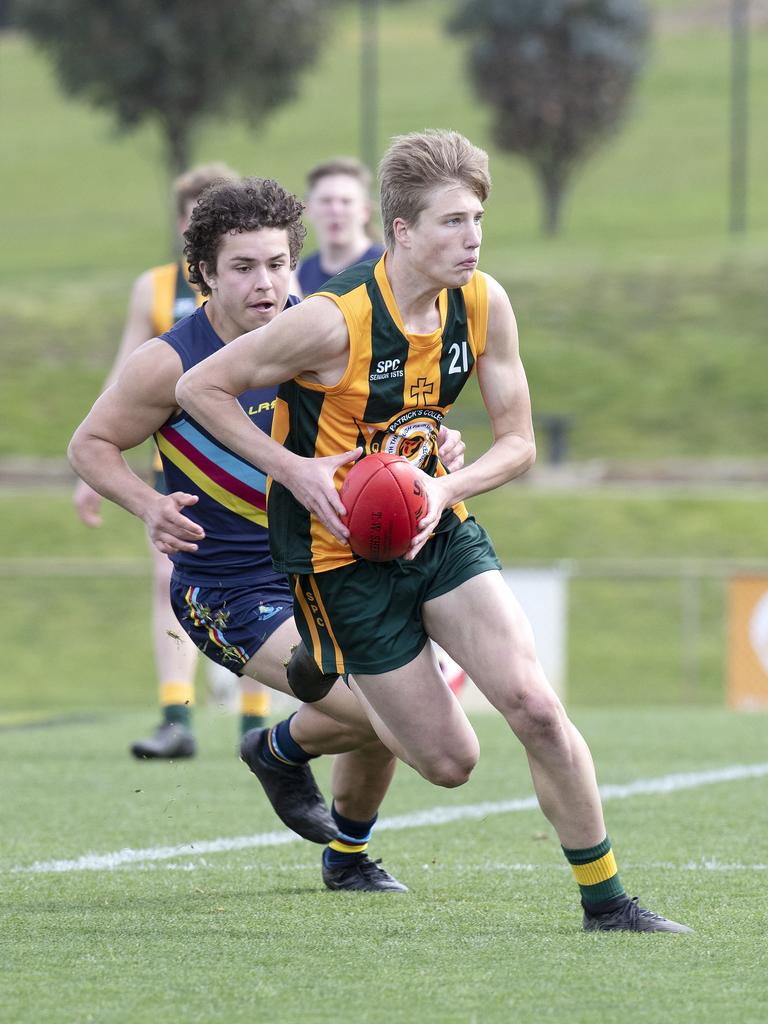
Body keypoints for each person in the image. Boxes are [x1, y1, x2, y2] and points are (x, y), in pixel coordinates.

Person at [175, 130, 693, 933]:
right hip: (336, 557)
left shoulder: (484, 301)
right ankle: (284, 756)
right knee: (450, 761)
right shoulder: (330, 321)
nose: (472, 238)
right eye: (451, 222)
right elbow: (200, 385)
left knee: (535, 705)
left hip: (434, 528)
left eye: (478, 218)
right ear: (402, 233)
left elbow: (518, 443)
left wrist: (441, 485)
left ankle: (609, 903)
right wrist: (298, 471)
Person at [69, 175, 464, 892]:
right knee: (383, 713)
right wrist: (147, 505)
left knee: (395, 708)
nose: (266, 283)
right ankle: (277, 751)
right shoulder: (170, 362)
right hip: (230, 585)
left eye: (279, 264)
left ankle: (346, 855)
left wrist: (432, 455)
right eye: (243, 267)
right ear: (204, 275)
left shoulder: (320, 337)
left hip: (328, 567)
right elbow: (90, 444)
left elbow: (384, 430)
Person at [73, 163, 273, 760]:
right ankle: (176, 715)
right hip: (181, 459)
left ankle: (253, 721)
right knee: (170, 579)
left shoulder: (281, 300)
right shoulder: (156, 290)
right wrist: (102, 467)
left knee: (274, 580)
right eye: (190, 214)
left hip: (265, 455)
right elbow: (128, 375)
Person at [294, 157, 384, 297]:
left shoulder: (385, 267)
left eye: (346, 201)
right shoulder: (301, 273)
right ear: (308, 208)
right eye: (326, 201)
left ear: (365, 211)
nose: (335, 210)